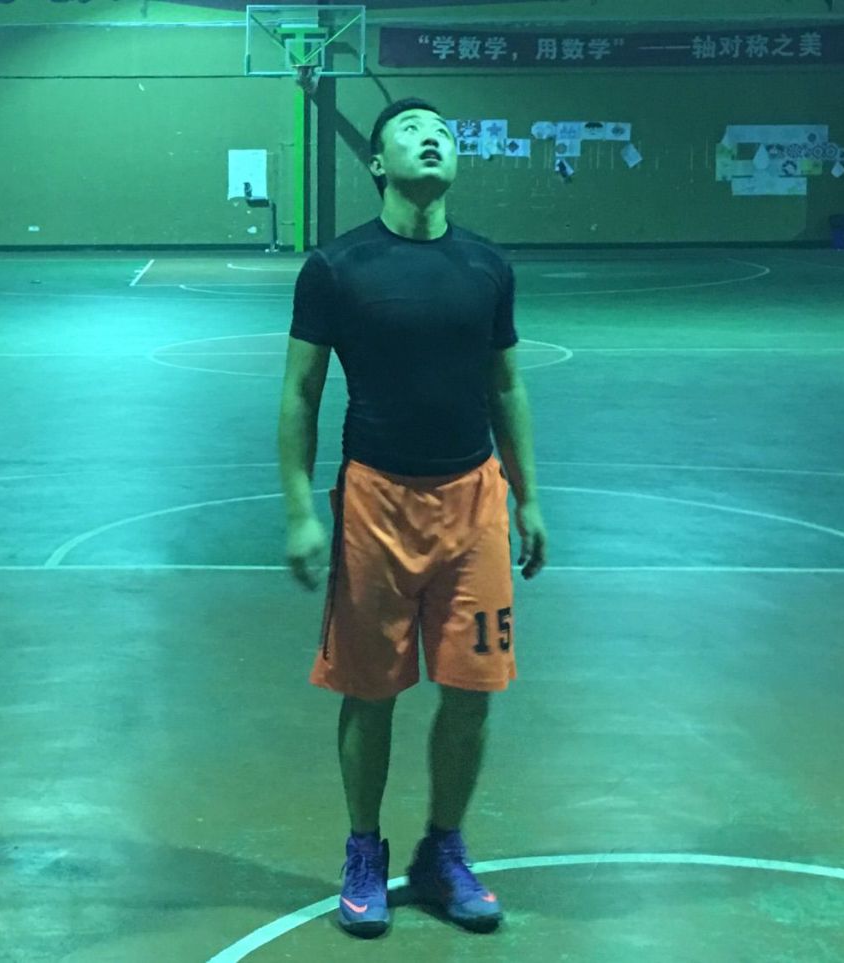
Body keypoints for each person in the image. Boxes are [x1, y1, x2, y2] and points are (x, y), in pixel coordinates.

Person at [277, 95, 548, 939]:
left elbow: (507, 385)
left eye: (444, 132)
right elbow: (300, 391)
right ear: (377, 163)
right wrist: (300, 508)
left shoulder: (487, 266)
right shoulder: (336, 267)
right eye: (410, 130)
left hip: (473, 500)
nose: (431, 138)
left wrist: (530, 496)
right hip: (376, 502)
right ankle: (364, 849)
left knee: (472, 690)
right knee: (371, 691)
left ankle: (442, 850)